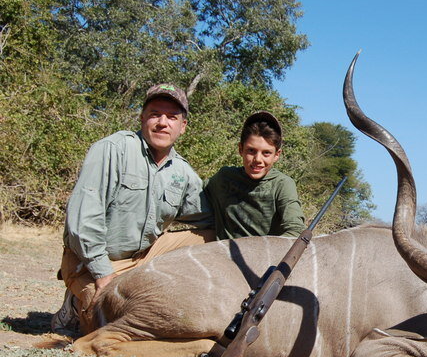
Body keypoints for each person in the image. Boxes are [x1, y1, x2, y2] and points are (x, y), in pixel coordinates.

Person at [53, 83, 214, 335]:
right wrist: (103, 274)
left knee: (213, 237)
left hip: (143, 259)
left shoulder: (182, 172)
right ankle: (74, 305)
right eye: (155, 114)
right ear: (142, 118)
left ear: (182, 127)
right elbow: (82, 221)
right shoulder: (112, 149)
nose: (163, 122)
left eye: (172, 117)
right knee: (111, 326)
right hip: (94, 263)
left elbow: (209, 217)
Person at [204, 111, 305, 240]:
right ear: (241, 149)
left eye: (266, 153)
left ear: (277, 155)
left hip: (266, 256)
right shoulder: (224, 177)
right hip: (223, 255)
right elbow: (195, 194)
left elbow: (296, 230)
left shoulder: (282, 184)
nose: (258, 159)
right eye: (251, 151)